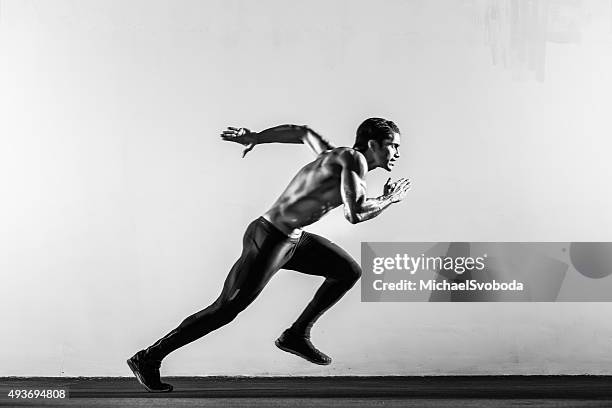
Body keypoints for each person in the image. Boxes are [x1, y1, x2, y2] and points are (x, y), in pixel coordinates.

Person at [127, 117, 411, 392]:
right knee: (225, 309)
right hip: (270, 237)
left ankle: (296, 335)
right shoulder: (354, 160)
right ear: (373, 144)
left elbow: (302, 132)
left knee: (347, 271)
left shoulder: (335, 156)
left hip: (292, 240)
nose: (397, 152)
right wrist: (389, 199)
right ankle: (149, 357)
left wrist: (255, 137)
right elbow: (355, 213)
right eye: (393, 145)